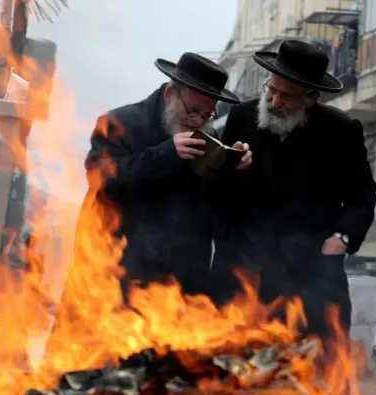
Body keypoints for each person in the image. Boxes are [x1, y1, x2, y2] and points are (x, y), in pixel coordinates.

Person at [210, 39, 376, 354]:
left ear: (312, 98)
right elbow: (217, 192)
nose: (273, 101)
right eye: (270, 90)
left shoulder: (342, 131)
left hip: (310, 282)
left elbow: (362, 195)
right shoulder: (242, 117)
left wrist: (342, 236)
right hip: (242, 279)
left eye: (286, 96)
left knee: (317, 379)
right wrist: (230, 169)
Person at [80, 52, 250, 302]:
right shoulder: (119, 123)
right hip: (121, 277)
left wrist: (233, 167)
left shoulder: (207, 136)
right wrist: (165, 154)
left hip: (181, 286)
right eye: (192, 111)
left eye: (207, 114)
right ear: (171, 95)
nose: (198, 120)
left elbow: (215, 208)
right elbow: (102, 179)